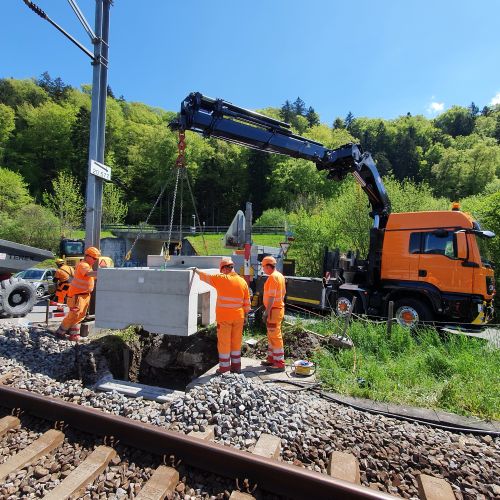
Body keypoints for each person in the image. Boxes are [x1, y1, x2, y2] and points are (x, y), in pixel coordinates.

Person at [193, 257, 251, 374]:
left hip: (225, 317)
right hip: (239, 317)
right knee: (236, 341)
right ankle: (236, 367)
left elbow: (206, 277)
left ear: (224, 269)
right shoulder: (242, 281)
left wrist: (196, 270)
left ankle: (224, 368)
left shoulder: (222, 279)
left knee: (224, 343)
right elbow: (247, 303)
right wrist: (245, 316)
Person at [54, 246, 100, 341]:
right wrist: (104, 272)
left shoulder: (88, 266)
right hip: (77, 296)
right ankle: (60, 332)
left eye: (96, 259)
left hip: (84, 296)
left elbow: (90, 277)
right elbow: (89, 274)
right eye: (94, 258)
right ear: (88, 256)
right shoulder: (83, 265)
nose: (95, 260)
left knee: (80, 316)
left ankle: (74, 335)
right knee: (74, 315)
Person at [261, 256, 286, 373]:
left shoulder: (272, 278)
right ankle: (271, 358)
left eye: (263, 266)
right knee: (271, 335)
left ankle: (279, 363)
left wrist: (266, 312)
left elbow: (271, 297)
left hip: (273, 310)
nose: (263, 269)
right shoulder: (280, 276)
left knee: (275, 336)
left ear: (268, 266)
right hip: (277, 309)